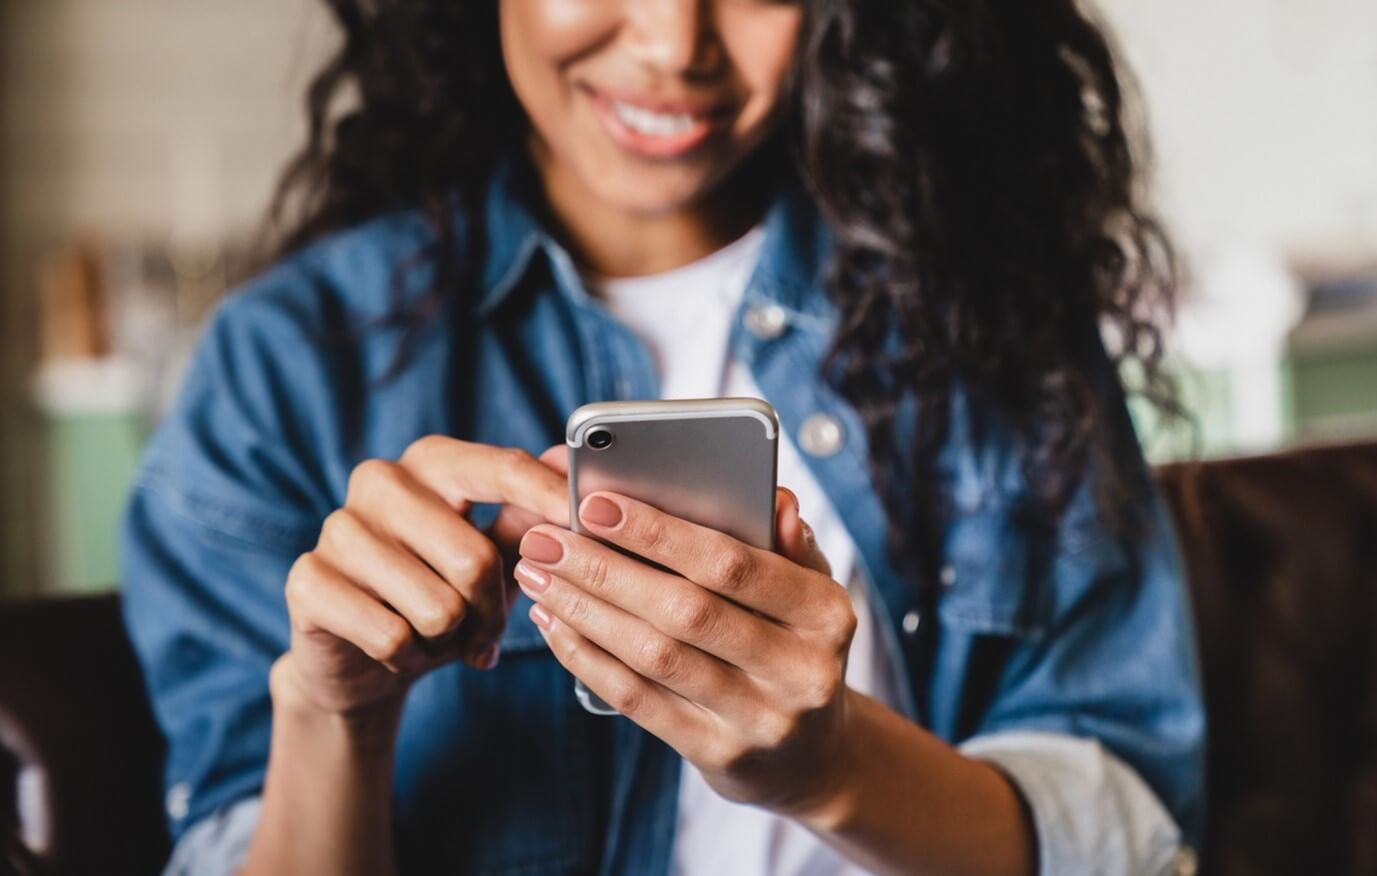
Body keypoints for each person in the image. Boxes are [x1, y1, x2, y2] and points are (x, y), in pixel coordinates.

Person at [121, 1, 1204, 874]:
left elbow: (1126, 829)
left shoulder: (987, 309)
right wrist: (331, 714)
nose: (672, 42)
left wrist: (829, 768)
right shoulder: (289, 366)